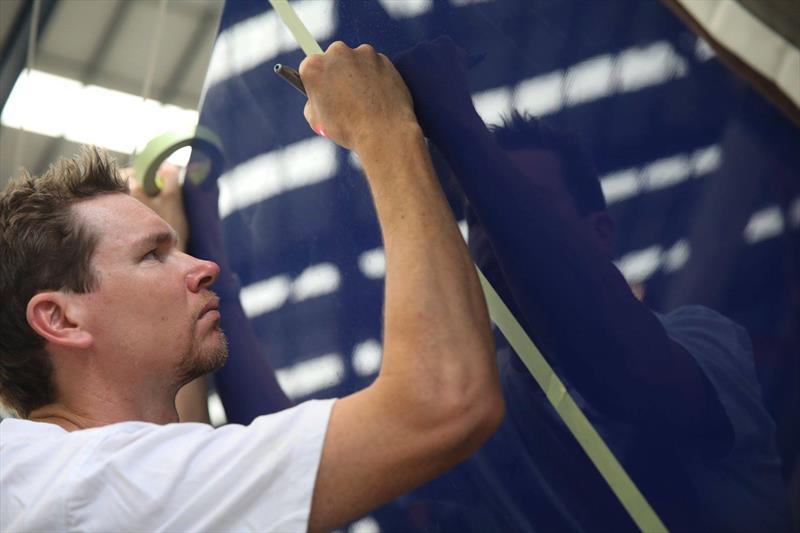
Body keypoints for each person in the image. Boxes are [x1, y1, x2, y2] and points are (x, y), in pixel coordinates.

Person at [0, 42, 504, 533]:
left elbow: (180, 462)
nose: (204, 268)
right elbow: (441, 402)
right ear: (60, 319)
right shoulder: (89, 483)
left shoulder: (63, 481)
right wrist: (382, 126)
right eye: (152, 255)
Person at [392, 38, 791, 532]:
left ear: (600, 232)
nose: (496, 229)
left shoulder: (704, 340)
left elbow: (626, 377)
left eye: (527, 204)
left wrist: (457, 123)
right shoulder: (475, 406)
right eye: (478, 215)